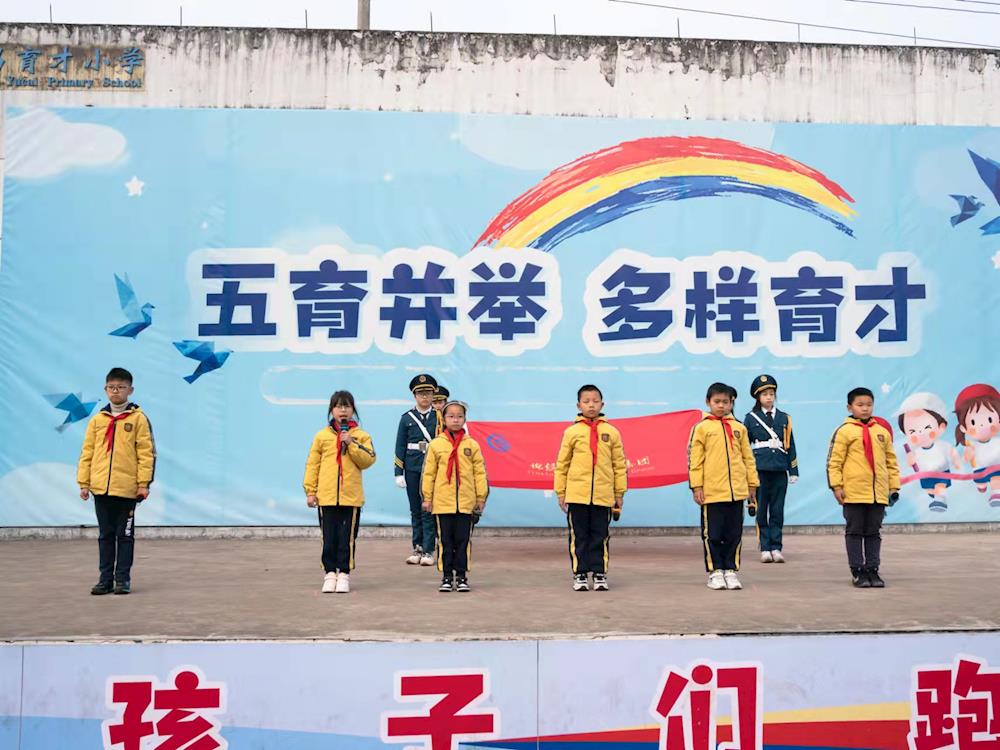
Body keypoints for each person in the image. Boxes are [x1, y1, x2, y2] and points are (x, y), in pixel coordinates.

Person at [77, 367, 156, 596]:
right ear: (105, 389)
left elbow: (146, 453)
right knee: (105, 536)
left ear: (130, 390)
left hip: (127, 490)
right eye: (111, 387)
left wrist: (143, 484)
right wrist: (84, 482)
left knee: (125, 536)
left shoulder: (139, 419)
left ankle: (122, 579)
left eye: (121, 387)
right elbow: (87, 452)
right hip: (101, 489)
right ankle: (105, 580)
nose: (116, 391)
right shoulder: (97, 420)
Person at [554, 384, 627, 592]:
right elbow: (562, 464)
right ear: (579, 405)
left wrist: (619, 493)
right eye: (586, 402)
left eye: (595, 401)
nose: (591, 405)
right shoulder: (571, 432)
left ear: (602, 404)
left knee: (600, 536)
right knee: (579, 536)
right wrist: (561, 492)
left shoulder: (612, 432)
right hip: (577, 495)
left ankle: (599, 573)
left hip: (603, 496)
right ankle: (580, 574)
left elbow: (619, 465)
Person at [826, 387, 900, 588]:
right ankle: (858, 571)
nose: (865, 409)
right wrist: (836, 486)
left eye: (869, 405)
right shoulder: (844, 431)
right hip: (854, 493)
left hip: (878, 494)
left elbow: (891, 462)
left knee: (873, 532)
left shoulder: (881, 432)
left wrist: (894, 487)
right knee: (855, 531)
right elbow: (834, 462)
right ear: (849, 407)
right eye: (860, 405)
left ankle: (873, 570)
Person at [688, 382, 758, 591]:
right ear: (708, 402)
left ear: (731, 403)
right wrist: (697, 486)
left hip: (736, 492)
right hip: (712, 493)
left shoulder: (739, 428)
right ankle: (715, 570)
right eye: (717, 401)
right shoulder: (701, 428)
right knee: (713, 534)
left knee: (734, 534)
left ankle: (731, 570)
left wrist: (752, 484)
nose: (721, 406)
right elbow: (695, 460)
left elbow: (748, 458)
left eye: (725, 402)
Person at [304, 390, 376, 593]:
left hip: (350, 498)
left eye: (347, 406)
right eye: (338, 406)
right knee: (329, 538)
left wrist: (351, 444)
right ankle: (329, 573)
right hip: (326, 497)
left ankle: (344, 573)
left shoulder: (361, 436)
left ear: (353, 410)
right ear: (331, 410)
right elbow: (313, 464)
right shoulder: (322, 436)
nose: (343, 410)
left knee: (347, 539)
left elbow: (368, 460)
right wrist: (311, 491)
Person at [421, 401, 488, 592]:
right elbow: (429, 473)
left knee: (463, 540)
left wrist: (480, 497)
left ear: (465, 419)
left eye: (459, 416)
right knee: (445, 541)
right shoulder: (436, 445)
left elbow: (480, 473)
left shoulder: (472, 445)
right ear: (444, 419)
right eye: (451, 416)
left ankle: (461, 576)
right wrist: (427, 498)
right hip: (442, 503)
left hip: (466, 503)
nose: (455, 420)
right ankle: (446, 576)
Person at [744, 374, 798, 563]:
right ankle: (765, 547)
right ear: (758, 397)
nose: (768, 397)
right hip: (760, 470)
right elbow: (744, 447)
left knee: (777, 511)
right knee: (761, 511)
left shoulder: (784, 418)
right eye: (764, 394)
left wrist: (793, 470)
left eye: (771, 394)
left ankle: (776, 547)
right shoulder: (751, 418)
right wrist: (746, 473)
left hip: (779, 470)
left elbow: (790, 444)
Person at [394, 373, 439, 566]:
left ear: (433, 395)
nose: (425, 397)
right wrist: (398, 472)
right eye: (421, 393)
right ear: (415, 395)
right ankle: (417, 547)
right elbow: (400, 446)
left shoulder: (440, 417)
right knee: (415, 509)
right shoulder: (406, 418)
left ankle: (429, 550)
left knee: (428, 509)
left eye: (428, 393)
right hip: (412, 468)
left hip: (433, 469)